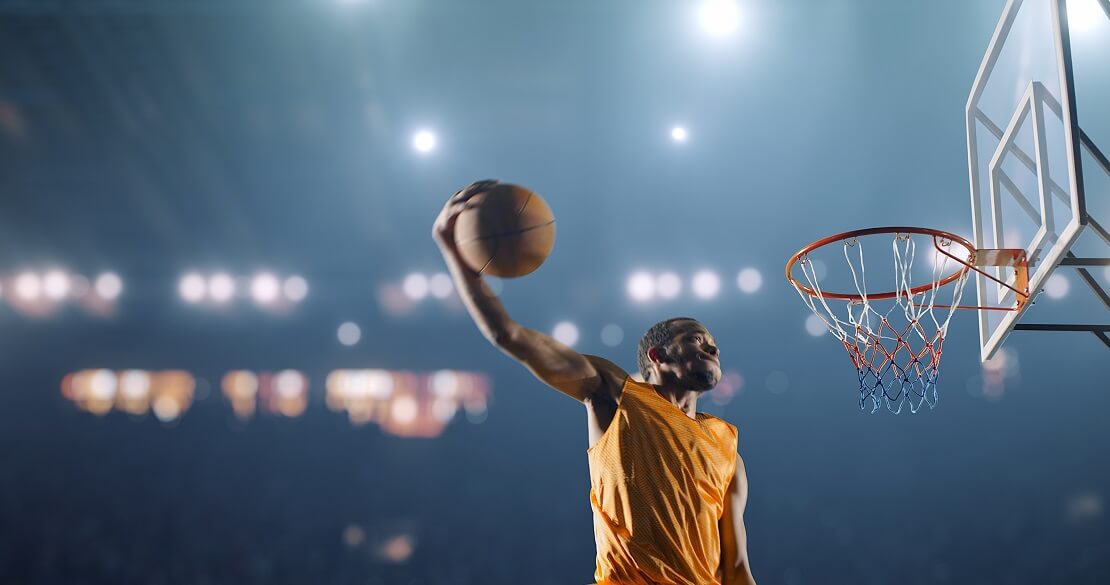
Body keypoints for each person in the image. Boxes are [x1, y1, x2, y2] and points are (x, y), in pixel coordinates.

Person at [433, 180, 757, 585]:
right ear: (657, 357)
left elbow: (736, 568)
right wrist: (452, 250)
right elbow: (509, 336)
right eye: (695, 340)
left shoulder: (728, 448)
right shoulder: (615, 393)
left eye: (713, 344)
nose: (712, 349)